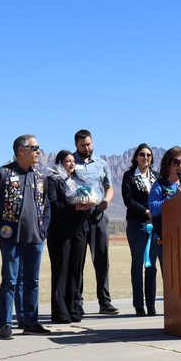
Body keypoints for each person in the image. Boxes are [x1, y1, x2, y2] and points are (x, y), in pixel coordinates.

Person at [0, 134, 51, 339]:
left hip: (36, 237)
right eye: (34, 147)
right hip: (11, 238)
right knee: (10, 281)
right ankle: (6, 324)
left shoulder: (40, 176)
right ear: (20, 150)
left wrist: (44, 230)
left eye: (38, 147)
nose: (38, 151)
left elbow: (46, 206)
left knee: (32, 281)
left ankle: (31, 321)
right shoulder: (3, 174)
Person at [73, 129, 119, 315]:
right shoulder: (70, 162)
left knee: (102, 259)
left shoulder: (101, 163)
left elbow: (109, 187)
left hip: (98, 214)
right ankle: (77, 303)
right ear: (76, 145)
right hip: (78, 216)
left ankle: (105, 302)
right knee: (78, 261)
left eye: (89, 144)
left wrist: (105, 202)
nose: (87, 148)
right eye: (83, 145)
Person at [47, 150, 89, 323]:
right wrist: (74, 208)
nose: (72, 164)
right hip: (60, 232)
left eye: (73, 161)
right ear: (59, 163)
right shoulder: (53, 180)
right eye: (67, 161)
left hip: (79, 230)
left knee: (76, 271)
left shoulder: (79, 181)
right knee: (61, 271)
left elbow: (89, 197)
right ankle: (59, 311)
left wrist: (89, 204)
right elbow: (53, 204)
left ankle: (73, 308)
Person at [121, 143, 159, 316]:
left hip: (154, 226)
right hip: (136, 224)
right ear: (136, 157)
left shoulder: (157, 177)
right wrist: (145, 211)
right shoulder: (129, 176)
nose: (145, 158)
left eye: (148, 155)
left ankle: (151, 304)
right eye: (142, 155)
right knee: (137, 264)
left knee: (151, 265)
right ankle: (138, 305)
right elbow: (128, 200)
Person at [148, 146, 181, 263]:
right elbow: (154, 209)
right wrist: (173, 196)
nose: (180, 166)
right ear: (168, 165)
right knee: (170, 277)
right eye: (176, 162)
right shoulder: (159, 184)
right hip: (166, 238)